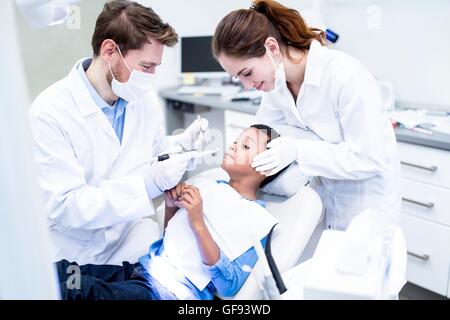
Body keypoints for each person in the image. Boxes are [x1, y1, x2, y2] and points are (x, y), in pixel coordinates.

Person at [29, 0, 211, 267]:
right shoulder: (49, 113)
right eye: (146, 67)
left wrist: (179, 147)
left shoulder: (140, 99)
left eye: (156, 67)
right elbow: (65, 207)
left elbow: (149, 151)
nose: (151, 77)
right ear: (110, 50)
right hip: (74, 253)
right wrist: (148, 184)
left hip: (128, 238)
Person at [212, 0, 401, 234]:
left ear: (271, 48)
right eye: (237, 78)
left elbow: (370, 158)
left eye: (247, 73)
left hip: (363, 207)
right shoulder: (275, 85)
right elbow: (261, 138)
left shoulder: (344, 75)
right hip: (318, 202)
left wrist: (298, 151)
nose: (247, 85)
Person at [57, 125, 280, 300]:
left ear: (266, 166)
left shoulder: (257, 221)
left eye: (246, 146)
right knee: (65, 273)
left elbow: (228, 284)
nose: (232, 145)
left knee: (76, 291)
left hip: (167, 293)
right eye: (235, 141)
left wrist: (198, 222)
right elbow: (173, 243)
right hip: (140, 271)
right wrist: (172, 205)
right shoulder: (212, 186)